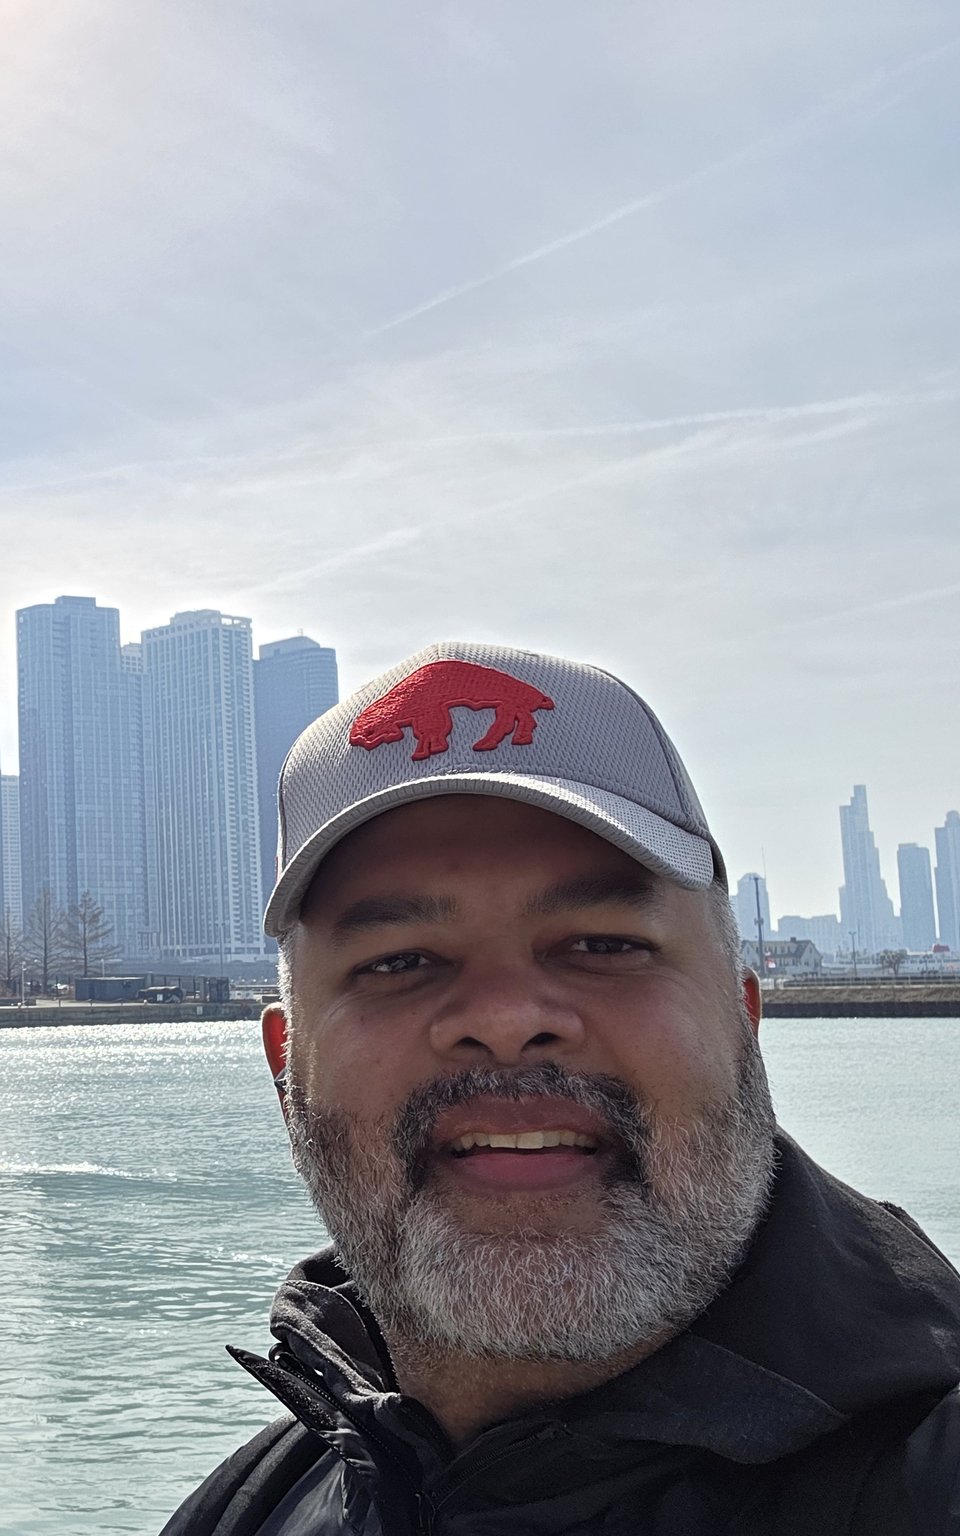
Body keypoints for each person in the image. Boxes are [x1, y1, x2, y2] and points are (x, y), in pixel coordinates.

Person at [162, 642, 960, 1535]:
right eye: (399, 961)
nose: (505, 1017)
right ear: (286, 1066)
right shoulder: (253, 1506)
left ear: (742, 1016)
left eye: (604, 943)